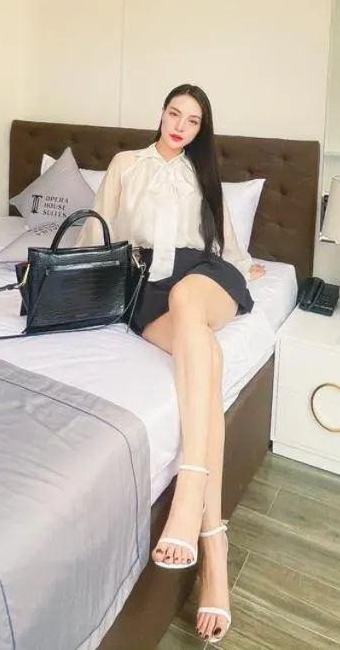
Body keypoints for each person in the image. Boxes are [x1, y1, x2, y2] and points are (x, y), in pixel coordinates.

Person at [76, 84, 264, 645]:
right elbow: (96, 228)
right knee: (205, 356)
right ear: (161, 114)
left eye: (193, 120)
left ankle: (189, 494)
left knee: (189, 302)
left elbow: (228, 244)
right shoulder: (125, 164)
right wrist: (75, 277)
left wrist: (246, 266)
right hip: (144, 290)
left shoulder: (203, 176)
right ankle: (214, 545)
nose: (180, 125)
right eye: (174, 113)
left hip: (203, 279)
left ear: (202, 129)